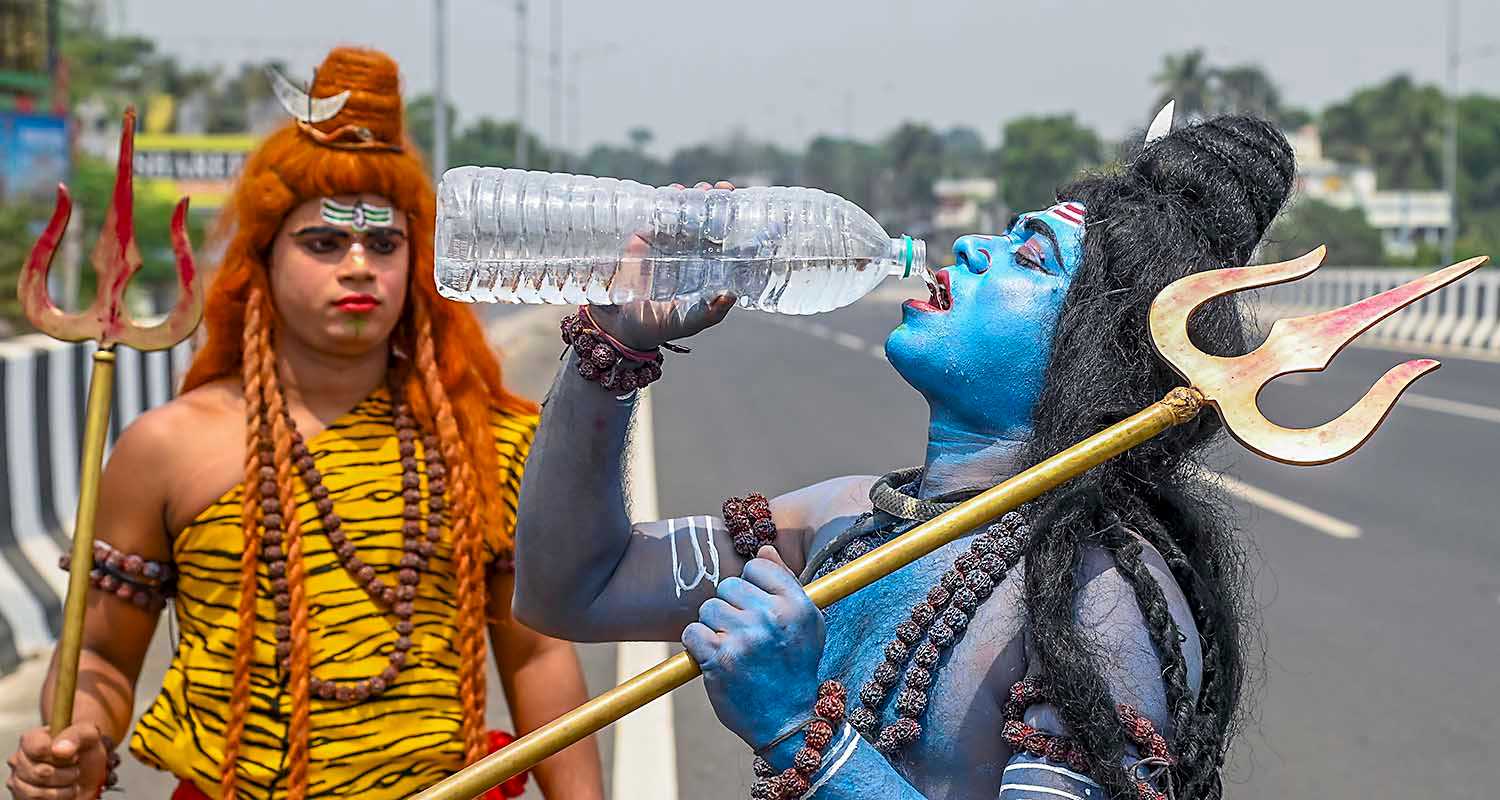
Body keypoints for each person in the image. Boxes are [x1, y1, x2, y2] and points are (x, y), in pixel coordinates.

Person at [512, 115, 1295, 799]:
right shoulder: (847, 518)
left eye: (1031, 257)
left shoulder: (1097, 597)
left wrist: (798, 735)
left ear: (1096, 352)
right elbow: (574, 590)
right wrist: (609, 353)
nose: (975, 248)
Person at [6, 47, 603, 800]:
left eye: (383, 244)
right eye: (324, 243)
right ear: (262, 262)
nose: (358, 265)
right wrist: (80, 734)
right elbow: (97, 653)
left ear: (413, 265)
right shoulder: (166, 448)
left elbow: (535, 655)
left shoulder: (486, 440)